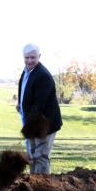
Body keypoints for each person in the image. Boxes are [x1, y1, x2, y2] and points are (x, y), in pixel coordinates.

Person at [17, 43, 62, 174]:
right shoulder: (27, 71)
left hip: (44, 123)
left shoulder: (43, 75)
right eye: (27, 57)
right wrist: (20, 103)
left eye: (33, 57)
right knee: (32, 155)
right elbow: (24, 88)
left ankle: (42, 186)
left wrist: (27, 128)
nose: (29, 61)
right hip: (32, 120)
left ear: (39, 56)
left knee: (41, 156)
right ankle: (33, 181)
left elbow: (38, 105)